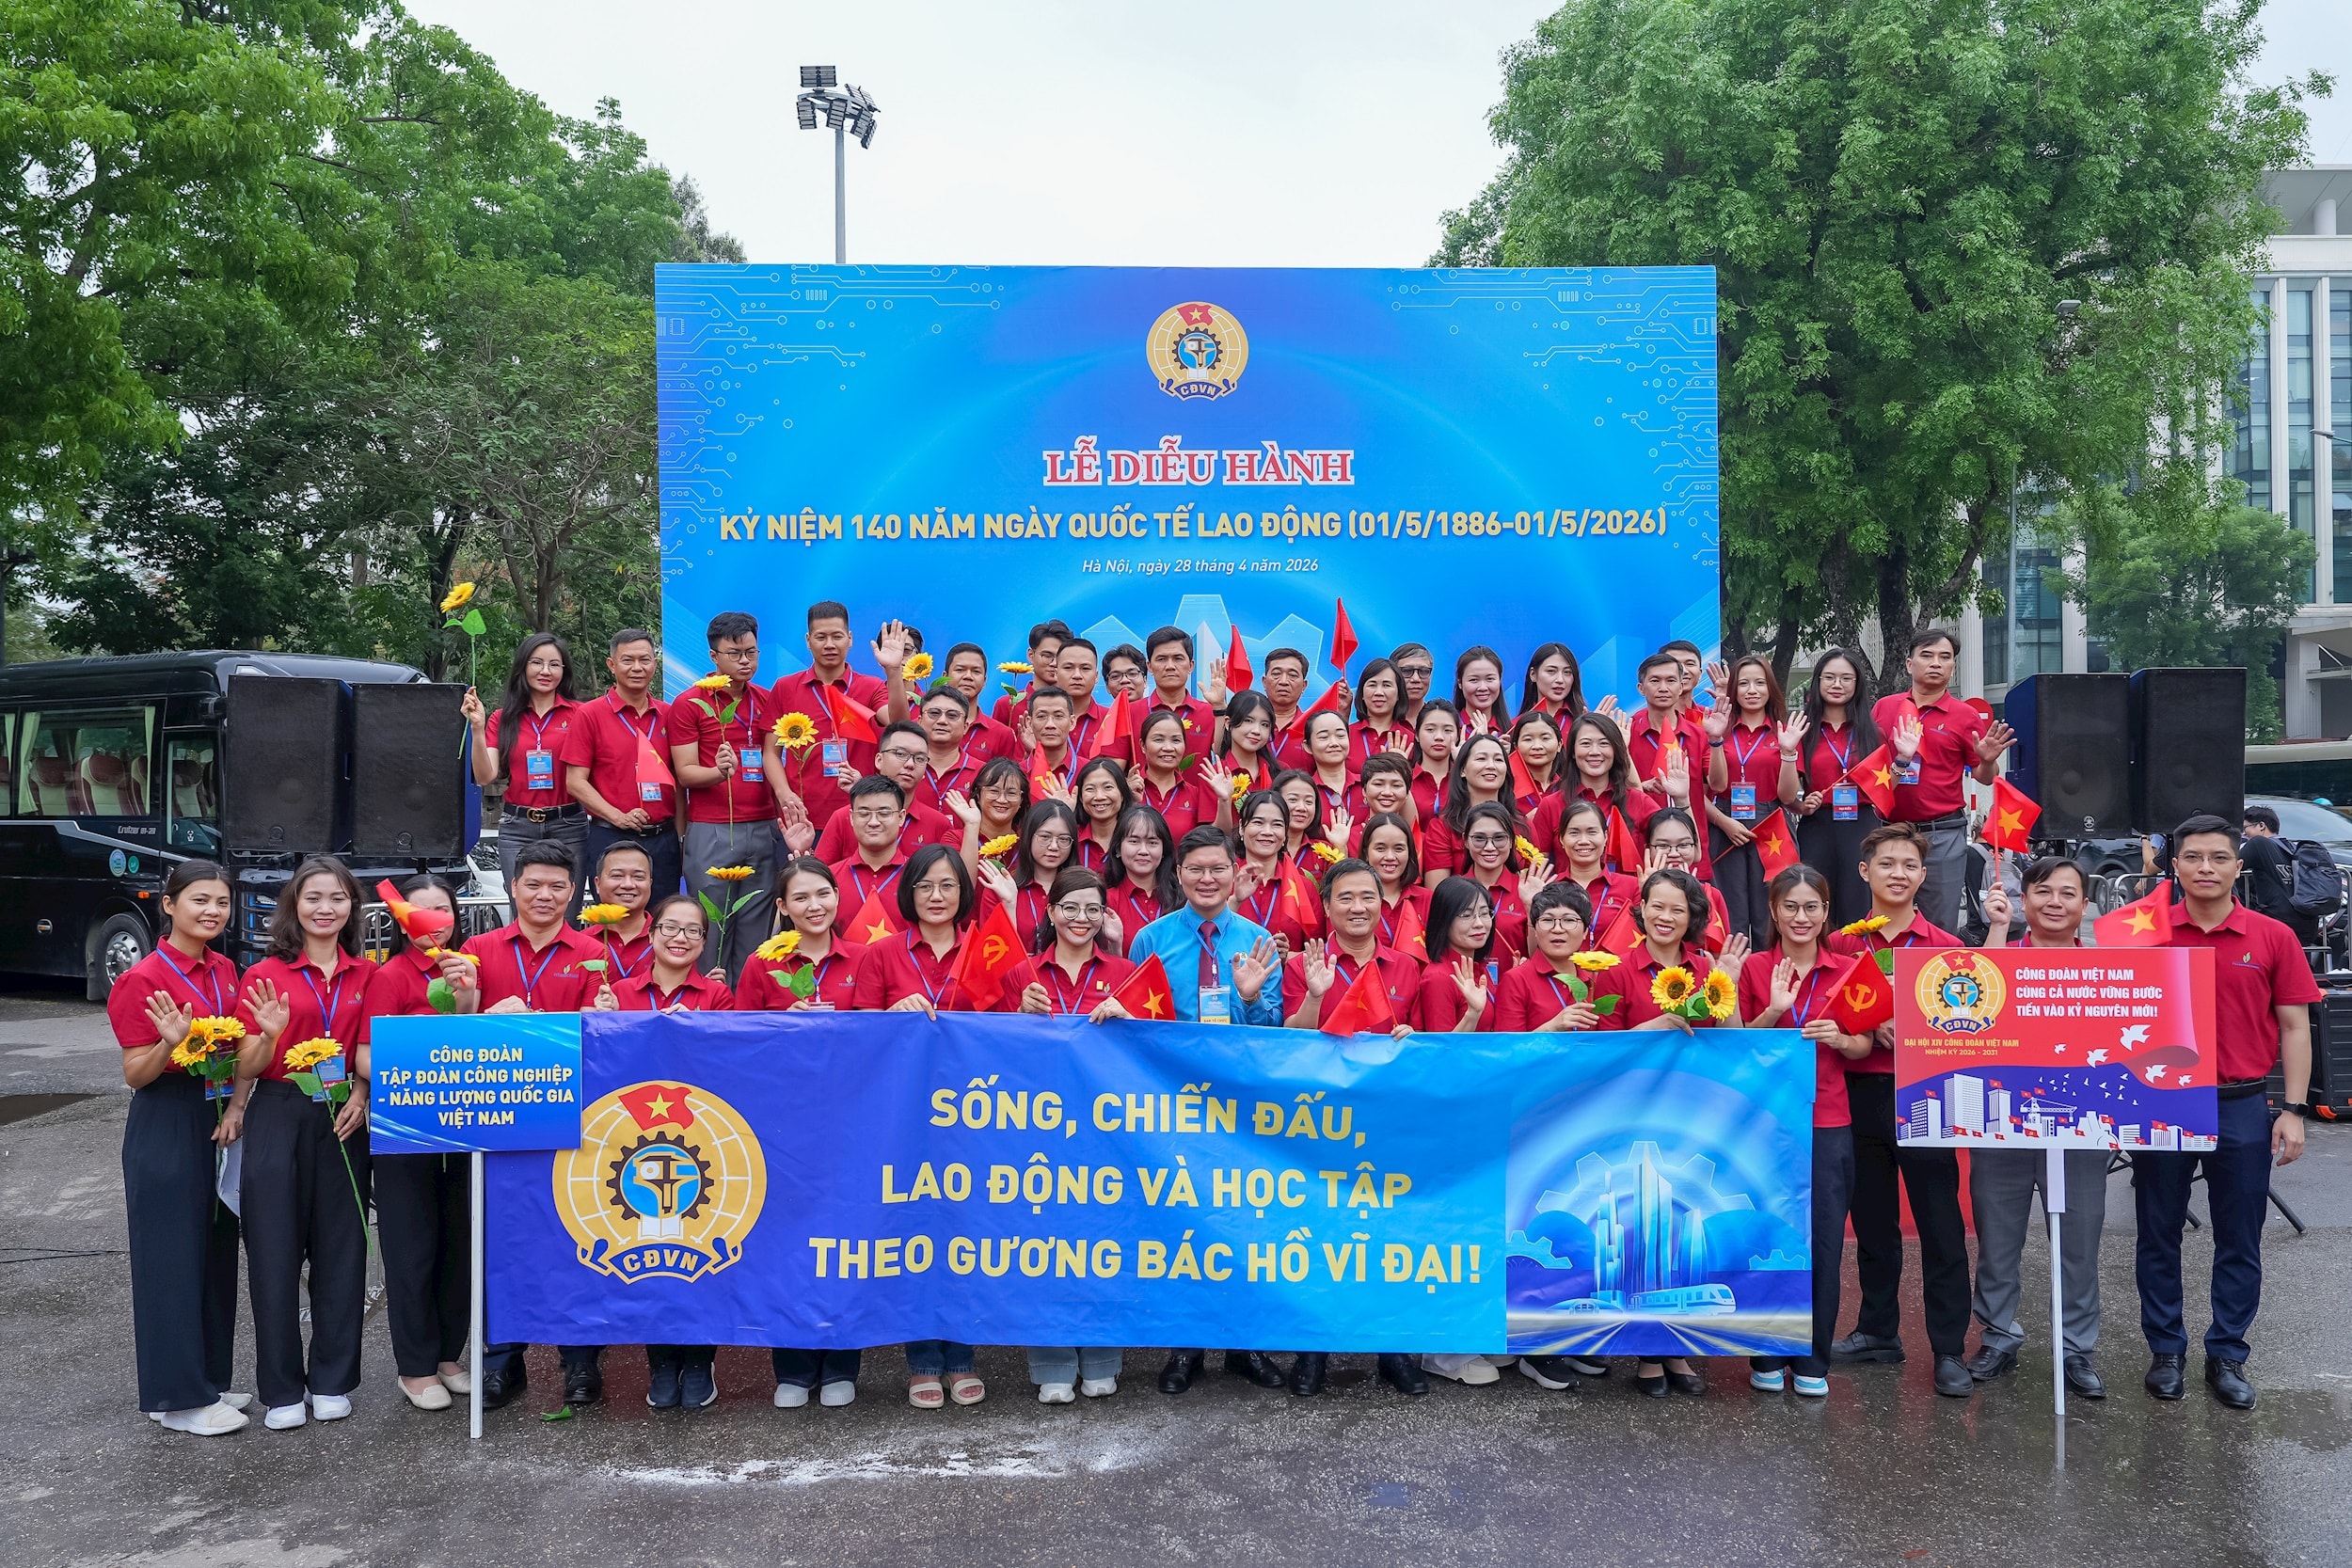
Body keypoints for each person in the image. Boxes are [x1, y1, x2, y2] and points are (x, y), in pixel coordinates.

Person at [2137, 815, 2318, 1410]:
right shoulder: (2146, 935)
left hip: (2242, 1104)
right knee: (2158, 1232)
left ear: (2239, 866)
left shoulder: (2272, 936)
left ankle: (2228, 1354)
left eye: (2219, 857)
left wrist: (2293, 1109)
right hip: (2163, 1102)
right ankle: (2166, 1351)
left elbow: (2295, 1027)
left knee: (2239, 1237)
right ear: (2174, 866)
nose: (2206, 868)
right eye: (2193, 857)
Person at [1125, 826, 1286, 1395]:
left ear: (1234, 871)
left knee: (1243, 1224)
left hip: (1242, 1107)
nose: (1208, 878)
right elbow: (1136, 1026)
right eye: (1195, 869)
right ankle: (1185, 1345)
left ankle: (1245, 1345)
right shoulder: (1150, 939)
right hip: (1173, 1104)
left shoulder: (1258, 940)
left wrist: (1249, 997)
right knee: (1181, 1223)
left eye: (1218, 868)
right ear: (1179, 875)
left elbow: (1275, 1032)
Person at [1824, 822, 1974, 1399]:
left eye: (1910, 865)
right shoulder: (1841, 945)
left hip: (1926, 1096)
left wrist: (1911, 1028)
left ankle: (1948, 1349)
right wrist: (1865, 1025)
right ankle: (1878, 1330)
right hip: (1860, 1093)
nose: (1898, 874)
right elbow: (1826, 1014)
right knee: (1873, 1224)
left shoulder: (1945, 948)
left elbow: (1968, 1026)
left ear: (1923, 875)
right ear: (1865, 873)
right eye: (1887, 864)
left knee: (1940, 1227)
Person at [462, 840, 614, 1409]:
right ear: (513, 887)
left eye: (556, 886)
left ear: (573, 892)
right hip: (498, 1115)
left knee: (575, 1234)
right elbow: (456, 1032)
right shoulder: (478, 950)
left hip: (570, 1114)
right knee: (499, 1242)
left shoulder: (592, 952)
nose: (544, 895)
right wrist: (472, 1009)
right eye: (533, 885)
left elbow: (600, 1041)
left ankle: (580, 1361)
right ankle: (501, 1362)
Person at [1590, 866, 1750, 1398]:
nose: (1665, 917)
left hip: (1694, 1118)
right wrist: (1651, 1028)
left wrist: (1728, 983)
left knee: (1685, 1227)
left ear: (1692, 917)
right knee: (1641, 1230)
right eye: (1656, 906)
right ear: (1641, 909)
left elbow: (1733, 1041)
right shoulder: (1617, 972)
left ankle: (1678, 1349)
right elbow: (1599, 1056)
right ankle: (1648, 1356)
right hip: (1633, 1118)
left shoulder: (1705, 968)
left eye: (1677, 909)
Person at [109, 860, 252, 1434]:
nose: (213, 911)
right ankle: (176, 1398)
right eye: (200, 900)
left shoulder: (226, 969)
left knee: (214, 1253)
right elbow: (135, 1074)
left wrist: (238, 1102)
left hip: (217, 1118)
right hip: (166, 1118)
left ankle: (208, 1379)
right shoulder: (142, 979)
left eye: (222, 901)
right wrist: (169, 1045)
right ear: (169, 905)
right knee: (169, 1259)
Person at [232, 855, 374, 1431]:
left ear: (351, 907)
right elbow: (247, 1064)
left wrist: (361, 1094)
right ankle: (282, 1388)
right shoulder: (265, 974)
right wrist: (268, 1037)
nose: (325, 908)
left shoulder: (367, 975)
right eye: (313, 897)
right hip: (279, 1110)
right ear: (294, 905)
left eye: (337, 897)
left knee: (343, 1249)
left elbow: (368, 1049)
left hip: (343, 1115)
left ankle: (332, 1379)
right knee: (274, 1251)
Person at [850, 844, 992, 1408]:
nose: (937, 896)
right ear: (908, 893)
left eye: (948, 885)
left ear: (963, 893)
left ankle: (962, 1357)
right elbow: (857, 1035)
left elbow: (1008, 1027)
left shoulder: (985, 947)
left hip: (974, 1116)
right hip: (904, 1118)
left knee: (964, 1234)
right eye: (925, 885)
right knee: (915, 1235)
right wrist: (889, 1019)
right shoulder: (881, 953)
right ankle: (923, 1362)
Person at [1971, 856, 2110, 1399]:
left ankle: (2076, 1348)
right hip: (2001, 1125)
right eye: (2044, 891)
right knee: (1997, 1239)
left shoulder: (2108, 970)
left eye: (2068, 893)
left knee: (2078, 1243)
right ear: (2024, 900)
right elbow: (1971, 1011)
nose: (2055, 902)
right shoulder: (1996, 956)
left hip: (2080, 1130)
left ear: (2085, 904)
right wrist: (1997, 930)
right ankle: (1999, 1334)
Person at [736, 857, 866, 1408]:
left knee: (845, 1242)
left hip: (852, 1122)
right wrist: (785, 1025)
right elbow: (739, 1044)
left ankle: (841, 1364)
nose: (815, 906)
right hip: (782, 1124)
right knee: (786, 1245)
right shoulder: (761, 965)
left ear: (838, 897)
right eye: (801, 898)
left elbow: (882, 1040)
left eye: (823, 894)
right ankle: (791, 1365)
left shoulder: (864, 957)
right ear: (783, 907)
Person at [1737, 864, 1868, 1399]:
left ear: (1825, 912)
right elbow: (1740, 1044)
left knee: (1823, 1241)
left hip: (1827, 1120)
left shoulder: (1849, 969)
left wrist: (1840, 1039)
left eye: (1811, 907)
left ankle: (1814, 1358)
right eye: (1790, 906)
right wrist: (1775, 1011)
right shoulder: (1754, 968)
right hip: (1764, 1126)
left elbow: (1864, 1046)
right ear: (1774, 911)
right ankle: (1767, 1353)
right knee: (1769, 1238)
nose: (1801, 917)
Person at [361, 873, 482, 1413]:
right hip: (406, 1129)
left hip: (462, 1124)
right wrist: (419, 1074)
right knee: (411, 1247)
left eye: (445, 910)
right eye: (422, 911)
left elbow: (476, 1042)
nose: (436, 921)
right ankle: (415, 1366)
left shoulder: (466, 967)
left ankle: (448, 1355)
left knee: (459, 1242)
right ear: (401, 919)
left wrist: (468, 995)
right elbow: (363, 1053)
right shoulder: (389, 976)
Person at [607, 895, 732, 1407]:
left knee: (698, 1252)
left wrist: (697, 1034)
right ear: (652, 933)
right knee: (651, 1254)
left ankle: (701, 1360)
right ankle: (659, 1360)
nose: (680, 938)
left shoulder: (718, 995)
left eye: (693, 931)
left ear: (704, 942)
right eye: (670, 928)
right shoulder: (618, 993)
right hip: (633, 1143)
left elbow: (733, 1064)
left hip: (701, 1140)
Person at [1871, 628, 2014, 931]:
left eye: (1944, 657)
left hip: (1943, 834)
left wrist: (1988, 761)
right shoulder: (1885, 708)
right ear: (1909, 664)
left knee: (1939, 925)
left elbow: (1986, 778)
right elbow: (1871, 774)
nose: (1936, 663)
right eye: (1927, 655)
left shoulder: (1965, 716)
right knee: (1885, 922)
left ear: (1953, 667)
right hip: (1889, 831)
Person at [672, 610, 782, 978]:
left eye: (751, 652)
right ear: (714, 656)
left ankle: (746, 1004)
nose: (745, 661)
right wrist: (718, 773)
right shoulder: (691, 702)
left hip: (764, 826)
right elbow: (685, 772)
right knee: (711, 930)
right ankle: (709, 1002)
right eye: (734, 654)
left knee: (757, 930)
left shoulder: (768, 700)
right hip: (712, 829)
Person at [564, 628, 684, 902]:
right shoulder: (590, 714)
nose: (637, 668)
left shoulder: (669, 714)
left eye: (645, 660)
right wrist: (618, 816)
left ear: (655, 664)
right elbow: (575, 782)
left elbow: (678, 782)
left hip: (663, 840)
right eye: (628, 660)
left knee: (663, 918)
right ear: (611, 664)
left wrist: (680, 837)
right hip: (611, 837)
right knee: (614, 919)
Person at [467, 633, 586, 902]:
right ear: (523, 667)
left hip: (569, 825)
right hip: (517, 827)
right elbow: (485, 776)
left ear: (564, 670)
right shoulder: (503, 718)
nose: (545, 671)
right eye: (537, 663)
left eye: (554, 664)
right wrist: (477, 728)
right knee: (524, 909)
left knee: (567, 908)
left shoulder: (581, 714)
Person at [771, 600, 895, 851]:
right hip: (803, 820)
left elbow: (897, 721)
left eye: (837, 636)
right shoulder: (785, 688)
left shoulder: (871, 687)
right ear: (808, 641)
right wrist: (784, 794)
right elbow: (771, 753)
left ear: (850, 639)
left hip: (861, 817)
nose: (829, 644)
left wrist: (893, 671)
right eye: (821, 637)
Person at [1701, 655, 1804, 946]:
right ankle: (1730, 972)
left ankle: (1769, 970)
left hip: (1771, 823)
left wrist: (1788, 752)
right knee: (1729, 910)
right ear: (1733, 689)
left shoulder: (1783, 732)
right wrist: (1716, 741)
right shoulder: (1718, 727)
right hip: (1726, 823)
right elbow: (1717, 785)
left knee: (1770, 911)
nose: (1752, 690)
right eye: (1744, 683)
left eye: (1760, 683)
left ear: (1771, 687)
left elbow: (1787, 796)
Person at [1790, 647, 1881, 927]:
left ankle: (1857, 954)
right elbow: (1789, 789)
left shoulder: (1872, 731)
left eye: (1846, 678)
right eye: (1829, 678)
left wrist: (1902, 760)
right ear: (1817, 681)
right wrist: (1801, 804)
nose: (1837, 685)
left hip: (1861, 824)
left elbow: (1887, 786)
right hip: (1817, 824)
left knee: (1859, 900)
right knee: (1815, 898)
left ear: (1857, 683)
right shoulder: (1803, 730)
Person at [814, 721, 960, 863]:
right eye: (900, 754)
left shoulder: (938, 823)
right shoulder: (844, 817)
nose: (910, 764)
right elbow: (821, 873)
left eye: (920, 759)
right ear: (879, 760)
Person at [1488, 880, 1605, 1033]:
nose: (1557, 929)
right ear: (1535, 930)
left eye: (1569, 920)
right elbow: (1509, 1046)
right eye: (1548, 920)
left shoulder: (1595, 977)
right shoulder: (1516, 980)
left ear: (1585, 932)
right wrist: (1552, 1027)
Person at [975, 799, 1081, 947]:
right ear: (1028, 837)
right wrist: (1009, 904)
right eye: (1045, 837)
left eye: (1063, 839)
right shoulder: (1001, 887)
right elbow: (991, 950)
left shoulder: (1083, 889)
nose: (1054, 846)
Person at [1232, 788, 1318, 951]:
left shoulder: (1303, 887)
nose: (1267, 832)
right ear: (1242, 828)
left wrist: (1287, 957)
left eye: (1277, 825)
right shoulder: (1223, 879)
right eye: (1258, 822)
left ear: (1285, 834)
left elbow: (1317, 951)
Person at [1413, 875, 1501, 1034]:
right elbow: (1443, 1045)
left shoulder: (1479, 968)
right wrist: (1472, 1014)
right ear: (1444, 920)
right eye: (1466, 915)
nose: (1479, 923)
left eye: (1484, 913)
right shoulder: (1438, 978)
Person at [1424, 733, 1515, 884]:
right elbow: (1438, 892)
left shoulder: (1522, 824)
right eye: (1481, 759)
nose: (1491, 766)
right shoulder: (1443, 827)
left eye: (1498, 759)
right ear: (1462, 770)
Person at [1130, 707, 1234, 838]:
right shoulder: (1127, 790)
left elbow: (1216, 838)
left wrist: (1224, 800)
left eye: (1176, 740)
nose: (1168, 748)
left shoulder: (1194, 794)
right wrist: (1130, 801)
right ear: (1142, 746)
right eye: (1158, 740)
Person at [1548, 798, 1637, 949]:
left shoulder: (1632, 887)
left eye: (1592, 832)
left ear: (1605, 837)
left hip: (1615, 965)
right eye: (1574, 833)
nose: (1583, 841)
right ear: (1562, 839)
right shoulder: (1549, 887)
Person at [1459, 800, 1540, 961]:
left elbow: (1538, 956)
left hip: (1516, 977)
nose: (1489, 847)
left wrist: (1532, 908)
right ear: (1466, 840)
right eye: (1479, 838)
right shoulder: (1453, 891)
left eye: (1499, 838)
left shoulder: (1526, 891)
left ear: (1512, 841)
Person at [2239, 804, 2320, 945]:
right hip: (2308, 923)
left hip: (2275, 921)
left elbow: (2227, 867)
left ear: (2261, 826)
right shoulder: (2292, 848)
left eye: (2245, 828)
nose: (2244, 834)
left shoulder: (2258, 843)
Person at [1104, 803, 1178, 950]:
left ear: (1164, 850)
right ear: (1118, 848)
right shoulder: (1107, 901)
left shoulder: (1182, 897)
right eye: (1134, 841)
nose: (1143, 851)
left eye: (1152, 842)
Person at [583, 840, 656, 984]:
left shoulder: (668, 939)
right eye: (617, 876)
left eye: (638, 877)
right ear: (597, 884)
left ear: (650, 883)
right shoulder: (582, 943)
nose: (628, 884)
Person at [912, 683, 988, 813]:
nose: (942, 721)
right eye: (934, 713)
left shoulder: (984, 773)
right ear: (919, 722)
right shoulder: (904, 768)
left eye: (952, 715)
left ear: (965, 727)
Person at [1142, 626, 1217, 758]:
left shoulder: (1210, 713)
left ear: (1191, 666)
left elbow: (1222, 755)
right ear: (1149, 667)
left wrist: (1220, 706)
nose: (1170, 666)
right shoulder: (1130, 713)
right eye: (1161, 659)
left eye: (1178, 658)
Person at [1359, 812, 1428, 951]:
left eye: (1399, 849)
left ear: (1410, 852)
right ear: (1366, 853)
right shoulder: (1353, 901)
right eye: (1380, 848)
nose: (1390, 857)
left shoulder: (1428, 899)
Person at [992, 618, 1071, 729]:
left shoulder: (1073, 703)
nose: (1054, 663)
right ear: (1031, 655)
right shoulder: (1007, 705)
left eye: (1060, 657)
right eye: (1047, 656)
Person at [1069, 755, 1134, 872]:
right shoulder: (1070, 838)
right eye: (1090, 789)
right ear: (1081, 797)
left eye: (1108, 787)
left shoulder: (1136, 837)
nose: (1099, 796)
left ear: (1122, 794)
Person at [1348, 657, 1413, 768]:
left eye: (1387, 685)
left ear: (1399, 694)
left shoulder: (1409, 739)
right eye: (1372, 685)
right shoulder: (1345, 735)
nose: (1379, 692)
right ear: (1362, 693)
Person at [1301, 707, 1359, 825]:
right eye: (1324, 737)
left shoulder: (1367, 785)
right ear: (1308, 747)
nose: (1334, 743)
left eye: (1340, 735)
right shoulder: (1305, 792)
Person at [1407, 699, 1460, 826]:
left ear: (1457, 736)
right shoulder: (1406, 780)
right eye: (1430, 729)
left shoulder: (1465, 779)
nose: (1439, 737)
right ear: (1417, 735)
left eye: (1447, 730)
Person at [1261, 647, 1313, 770]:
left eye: (1292, 675)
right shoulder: (1247, 724)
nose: (1283, 681)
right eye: (1276, 674)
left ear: (1304, 685)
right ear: (1264, 682)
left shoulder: (1313, 727)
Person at [1506, 710, 1565, 820]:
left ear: (1559, 745)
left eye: (1545, 738)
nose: (1537, 746)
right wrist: (1524, 823)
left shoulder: (1569, 787)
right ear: (1515, 746)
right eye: (1528, 739)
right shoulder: (1506, 788)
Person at [1222, 689, 1279, 794]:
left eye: (1265, 725)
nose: (1257, 731)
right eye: (1248, 721)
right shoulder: (1215, 774)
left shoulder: (1280, 773)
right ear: (1228, 723)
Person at [1518, 641, 1588, 722]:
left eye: (1567, 672)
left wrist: (1595, 726)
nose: (1560, 680)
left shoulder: (1583, 722)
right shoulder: (1517, 726)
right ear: (1533, 674)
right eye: (1551, 671)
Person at [1453, 645, 1510, 736]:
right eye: (1474, 680)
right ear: (1460, 683)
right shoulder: (1449, 729)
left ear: (1500, 680)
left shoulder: (1512, 732)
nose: (1483, 688)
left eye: (1490, 679)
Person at [1390, 641, 1436, 726]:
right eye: (1407, 671)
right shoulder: (1380, 720)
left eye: (1423, 671)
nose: (1416, 679)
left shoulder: (1441, 720)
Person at [1102, 642, 1149, 707]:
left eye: (1132, 674)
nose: (1124, 680)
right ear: (1107, 687)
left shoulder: (1160, 713)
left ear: (1145, 681)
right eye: (1115, 676)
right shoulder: (1104, 714)